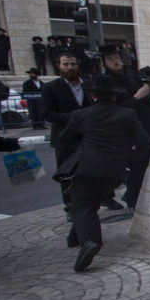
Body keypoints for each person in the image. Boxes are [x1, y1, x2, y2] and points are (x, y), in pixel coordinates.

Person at [58, 75, 149, 272]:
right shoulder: (127, 115)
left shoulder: (81, 115)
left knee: (83, 205)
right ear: (114, 97)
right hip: (115, 171)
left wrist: (83, 144)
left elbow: (63, 139)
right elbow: (143, 141)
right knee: (90, 202)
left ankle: (90, 242)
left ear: (93, 95)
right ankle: (76, 236)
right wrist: (127, 157)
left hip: (88, 168)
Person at [41, 50, 94, 218]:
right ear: (59, 66)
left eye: (73, 64)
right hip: (65, 138)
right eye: (66, 65)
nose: (70, 68)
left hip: (88, 136)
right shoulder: (51, 88)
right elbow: (48, 113)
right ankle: (71, 206)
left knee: (91, 171)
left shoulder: (88, 85)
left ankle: (97, 200)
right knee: (67, 173)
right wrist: (75, 118)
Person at [122, 67, 150, 210]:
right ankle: (132, 199)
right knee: (136, 171)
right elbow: (123, 110)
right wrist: (137, 97)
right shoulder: (133, 92)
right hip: (137, 137)